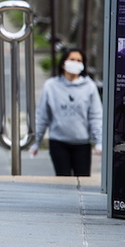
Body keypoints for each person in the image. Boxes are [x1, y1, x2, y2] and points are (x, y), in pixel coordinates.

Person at [30, 47, 103, 176]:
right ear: (64, 62)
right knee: (63, 181)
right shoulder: (51, 86)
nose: (75, 63)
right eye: (72, 59)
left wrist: (99, 142)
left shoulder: (89, 87)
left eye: (79, 60)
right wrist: (36, 142)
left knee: (83, 180)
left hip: (82, 143)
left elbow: (96, 116)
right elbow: (42, 116)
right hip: (58, 142)